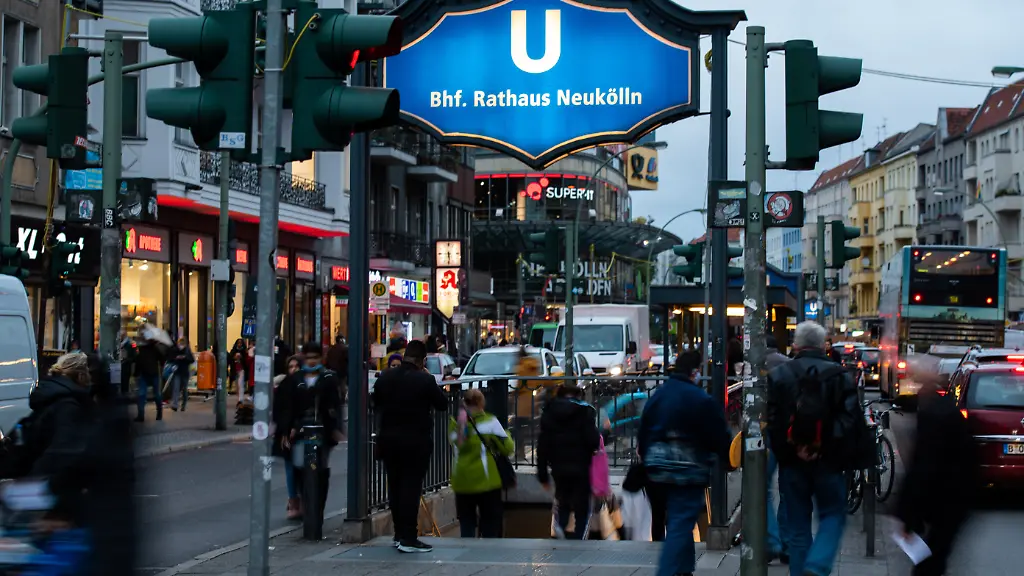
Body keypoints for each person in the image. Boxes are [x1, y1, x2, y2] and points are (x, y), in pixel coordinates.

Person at [767, 322, 866, 576]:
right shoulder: (840, 375)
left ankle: (801, 570)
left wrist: (792, 451)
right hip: (828, 462)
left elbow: (774, 424)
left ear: (796, 345)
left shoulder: (779, 375)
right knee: (833, 515)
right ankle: (818, 565)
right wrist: (822, 447)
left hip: (793, 464)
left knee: (798, 527)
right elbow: (851, 419)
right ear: (823, 345)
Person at [638, 351, 732, 576]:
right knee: (681, 521)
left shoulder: (659, 396)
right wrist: (727, 459)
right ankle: (669, 571)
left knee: (679, 519)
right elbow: (718, 434)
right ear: (694, 372)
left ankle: (685, 569)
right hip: (687, 470)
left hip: (656, 469)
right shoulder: (700, 399)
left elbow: (644, 431)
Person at [894, 371, 977, 575]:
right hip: (956, 497)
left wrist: (908, 517)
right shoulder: (946, 411)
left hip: (947, 497)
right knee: (936, 555)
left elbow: (923, 468)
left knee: (930, 561)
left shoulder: (932, 418)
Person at [372, 339, 448, 553]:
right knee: (411, 489)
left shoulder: (385, 378)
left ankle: (398, 534)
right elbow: (442, 404)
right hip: (416, 441)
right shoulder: (424, 380)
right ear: (423, 360)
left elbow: (375, 403)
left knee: (395, 488)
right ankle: (409, 537)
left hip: (388, 441)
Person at [277, 343, 344, 521]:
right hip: (300, 432)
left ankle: (316, 508)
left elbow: (335, 405)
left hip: (323, 431)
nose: (312, 361)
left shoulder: (328, 377)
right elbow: (287, 406)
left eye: (315, 357)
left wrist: (335, 429)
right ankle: (304, 500)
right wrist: (287, 429)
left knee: (320, 470)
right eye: (308, 358)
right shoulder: (295, 379)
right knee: (299, 466)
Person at [536, 382, 600, 540]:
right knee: (582, 504)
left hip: (558, 465)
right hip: (581, 464)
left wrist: (542, 473)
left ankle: (560, 527)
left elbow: (542, 445)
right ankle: (580, 536)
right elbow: (593, 441)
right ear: (578, 395)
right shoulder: (585, 412)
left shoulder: (549, 413)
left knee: (562, 497)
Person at [449, 389, 514, 538]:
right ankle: (487, 554)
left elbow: (456, 444)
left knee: (466, 521)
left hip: (462, 480)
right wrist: (507, 434)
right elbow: (508, 448)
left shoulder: (455, 424)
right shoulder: (489, 422)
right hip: (486, 480)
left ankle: (468, 552)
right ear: (481, 403)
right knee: (490, 520)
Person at [764, 334, 792, 564]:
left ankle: (771, 541)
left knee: (763, 491)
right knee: (786, 490)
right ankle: (787, 544)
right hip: (789, 435)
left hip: (765, 434)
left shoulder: (754, 366)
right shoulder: (789, 364)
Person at [273, 356, 304, 520]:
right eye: (291, 366)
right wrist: (284, 431)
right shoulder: (284, 385)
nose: (293, 370)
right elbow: (280, 410)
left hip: (303, 432)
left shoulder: (305, 384)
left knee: (304, 467)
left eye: (296, 366)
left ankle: (302, 499)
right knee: (291, 468)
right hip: (287, 434)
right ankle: (293, 500)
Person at [134, 332, 165, 422]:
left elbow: (138, 361)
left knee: (143, 395)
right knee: (154, 395)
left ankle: (142, 415)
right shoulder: (153, 348)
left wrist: (136, 373)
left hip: (147, 374)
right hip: (151, 373)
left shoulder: (149, 349)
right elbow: (162, 359)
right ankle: (157, 413)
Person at [169, 338, 195, 412]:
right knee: (176, 388)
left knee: (184, 390)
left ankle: (184, 405)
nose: (180, 346)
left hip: (184, 372)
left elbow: (191, 360)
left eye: (182, 344)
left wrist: (185, 358)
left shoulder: (187, 351)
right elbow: (170, 358)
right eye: (179, 344)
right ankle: (175, 405)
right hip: (177, 371)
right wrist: (176, 358)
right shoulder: (175, 350)